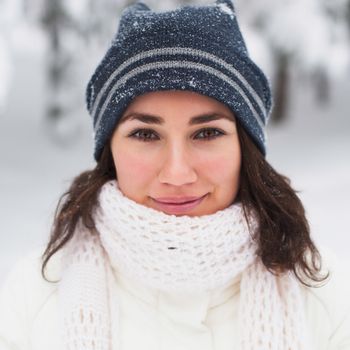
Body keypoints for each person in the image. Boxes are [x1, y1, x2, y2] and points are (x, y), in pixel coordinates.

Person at [0, 0, 349, 349]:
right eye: (145, 134)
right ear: (111, 151)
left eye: (207, 133)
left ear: (246, 148)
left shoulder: (321, 292)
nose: (177, 173)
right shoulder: (36, 296)